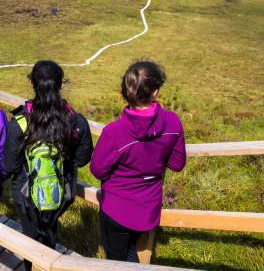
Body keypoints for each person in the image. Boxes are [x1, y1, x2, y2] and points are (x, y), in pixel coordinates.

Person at [90, 60, 186, 263]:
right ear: (155, 92)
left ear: (127, 91)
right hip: (148, 208)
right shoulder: (172, 122)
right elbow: (177, 163)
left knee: (116, 261)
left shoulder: (114, 133)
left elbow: (97, 170)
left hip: (116, 209)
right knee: (132, 252)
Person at [4, 60, 93, 270]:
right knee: (50, 231)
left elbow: (10, 166)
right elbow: (82, 159)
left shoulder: (20, 123)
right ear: (61, 85)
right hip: (62, 193)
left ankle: (30, 265)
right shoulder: (76, 122)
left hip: (26, 196)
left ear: (31, 84)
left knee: (30, 237)